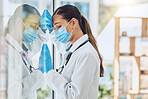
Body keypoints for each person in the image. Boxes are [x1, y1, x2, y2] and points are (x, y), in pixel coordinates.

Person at [39, 4, 104, 99]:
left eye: (59, 26)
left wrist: (50, 73)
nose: (57, 32)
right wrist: (51, 30)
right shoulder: (74, 49)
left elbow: (75, 95)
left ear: (73, 23)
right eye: (55, 28)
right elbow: (61, 45)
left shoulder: (86, 54)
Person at [5, 4, 49, 99]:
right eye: (33, 26)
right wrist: (39, 73)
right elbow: (14, 93)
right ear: (18, 22)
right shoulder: (5, 53)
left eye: (37, 28)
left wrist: (44, 29)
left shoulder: (21, 48)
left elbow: (39, 42)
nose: (35, 32)